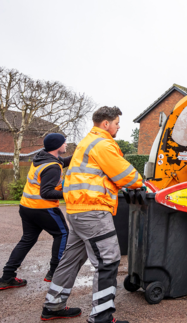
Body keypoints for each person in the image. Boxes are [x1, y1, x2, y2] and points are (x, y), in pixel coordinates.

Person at [42, 106, 142, 323]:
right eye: (116, 123)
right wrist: (140, 182)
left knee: (71, 259)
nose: (118, 127)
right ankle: (102, 316)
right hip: (93, 211)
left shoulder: (86, 143)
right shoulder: (103, 143)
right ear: (106, 124)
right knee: (108, 260)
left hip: (77, 210)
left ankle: (53, 305)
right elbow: (127, 175)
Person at [0, 133, 71, 290]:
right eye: (65, 143)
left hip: (26, 207)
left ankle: (7, 276)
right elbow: (47, 192)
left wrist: (81, 155)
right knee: (62, 234)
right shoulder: (52, 167)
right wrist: (70, 194)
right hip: (43, 208)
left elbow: (63, 161)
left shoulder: (42, 158)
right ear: (58, 146)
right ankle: (54, 272)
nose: (66, 145)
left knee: (27, 240)